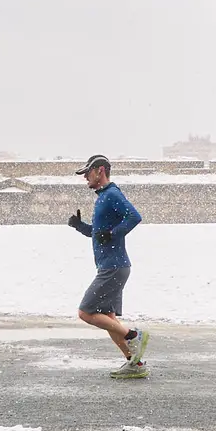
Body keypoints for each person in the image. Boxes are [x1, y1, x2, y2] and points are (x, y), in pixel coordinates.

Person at [66, 154, 148, 379]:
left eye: (87, 173)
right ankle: (136, 364)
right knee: (108, 318)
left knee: (86, 312)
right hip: (112, 266)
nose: (85, 178)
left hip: (113, 267)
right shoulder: (102, 197)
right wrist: (80, 226)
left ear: (100, 170)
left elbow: (134, 217)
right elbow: (98, 234)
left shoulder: (112, 194)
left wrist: (112, 233)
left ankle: (134, 335)